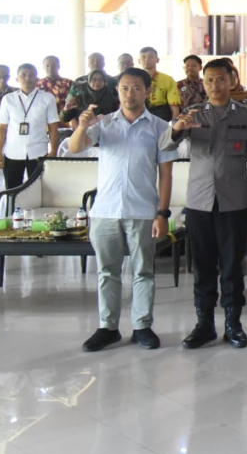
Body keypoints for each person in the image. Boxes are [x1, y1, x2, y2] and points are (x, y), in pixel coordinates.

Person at [160, 58, 247, 349]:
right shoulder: (192, 114)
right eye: (209, 80)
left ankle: (233, 324)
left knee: (232, 265)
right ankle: (204, 323)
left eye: (220, 79)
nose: (214, 85)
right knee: (203, 265)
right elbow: (164, 147)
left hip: (234, 202)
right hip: (199, 202)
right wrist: (176, 127)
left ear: (232, 80)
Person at [67, 67, 176, 352]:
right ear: (117, 91)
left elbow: (166, 174)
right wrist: (81, 124)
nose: (130, 93)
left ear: (148, 91)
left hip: (142, 210)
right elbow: (76, 147)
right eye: (125, 88)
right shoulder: (103, 125)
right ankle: (108, 327)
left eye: (137, 88)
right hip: (105, 211)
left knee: (143, 271)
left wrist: (162, 214)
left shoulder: (160, 127)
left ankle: (142, 326)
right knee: (107, 271)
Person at [0, 63, 60, 190]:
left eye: (31, 75)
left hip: (38, 152)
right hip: (12, 152)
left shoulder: (47, 98)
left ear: (37, 79)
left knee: (38, 190)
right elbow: (2, 128)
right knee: (12, 191)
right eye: (23, 75)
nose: (27, 78)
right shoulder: (8, 99)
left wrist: (54, 151)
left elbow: (53, 127)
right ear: (17, 79)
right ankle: (13, 211)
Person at [139, 46, 181, 122]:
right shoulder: (135, 80)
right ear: (139, 61)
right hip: (140, 116)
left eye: (151, 57)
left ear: (157, 60)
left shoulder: (168, 79)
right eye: (143, 57)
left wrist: (173, 129)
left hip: (162, 117)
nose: (147, 60)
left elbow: (174, 108)